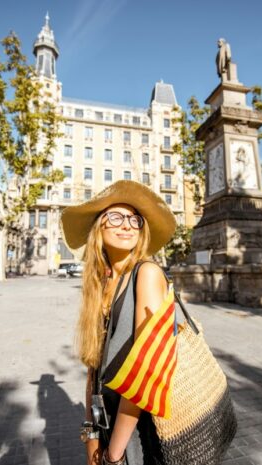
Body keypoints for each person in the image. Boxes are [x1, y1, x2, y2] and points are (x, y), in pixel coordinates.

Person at [61, 180, 176, 465]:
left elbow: (146, 371)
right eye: (115, 217)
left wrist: (114, 453)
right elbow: (93, 369)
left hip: (141, 432)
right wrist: (91, 432)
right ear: (98, 228)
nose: (126, 225)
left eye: (134, 220)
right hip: (108, 422)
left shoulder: (147, 274)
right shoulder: (100, 283)